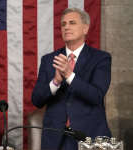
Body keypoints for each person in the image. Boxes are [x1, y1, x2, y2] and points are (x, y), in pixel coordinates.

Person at [31, 8, 111, 150]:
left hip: (89, 137)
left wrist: (69, 75)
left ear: (85, 28)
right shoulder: (49, 59)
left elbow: (96, 96)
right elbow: (37, 100)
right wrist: (55, 82)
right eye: (63, 24)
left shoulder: (100, 58)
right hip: (55, 139)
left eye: (72, 23)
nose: (66, 27)